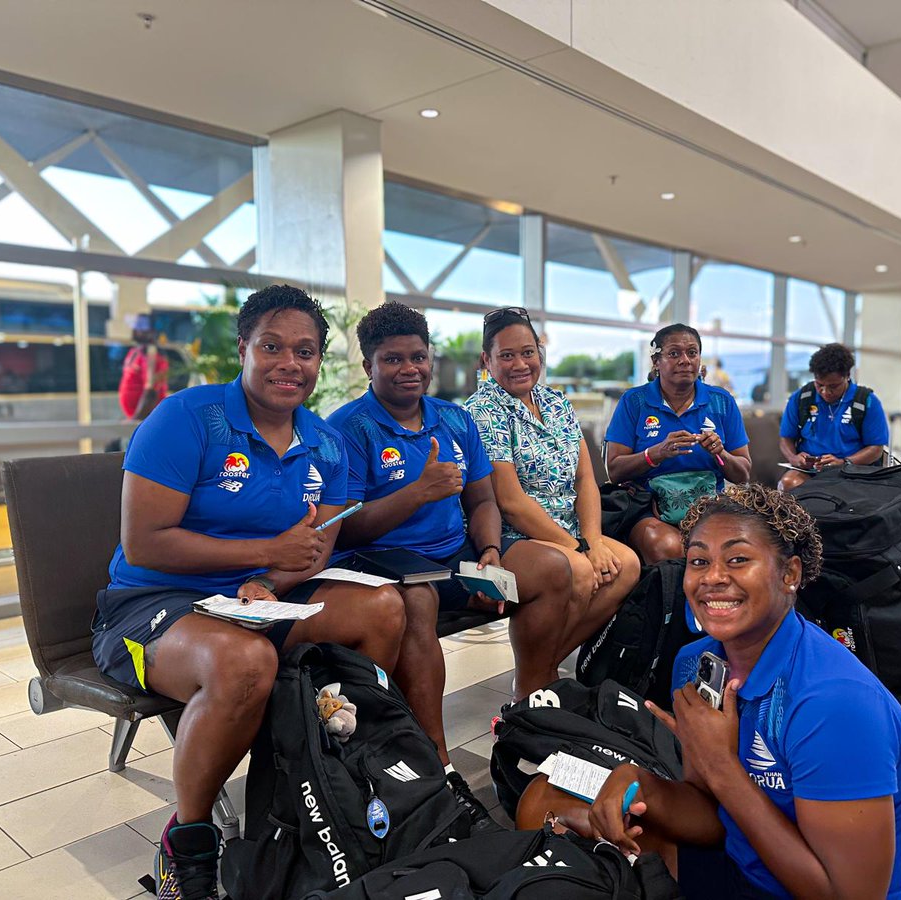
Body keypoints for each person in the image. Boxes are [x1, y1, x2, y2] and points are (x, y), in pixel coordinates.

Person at [93, 285, 407, 900]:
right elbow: (145, 543)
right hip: (148, 608)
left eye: (306, 351)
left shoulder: (326, 443)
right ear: (243, 349)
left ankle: (335, 773)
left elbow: (314, 547)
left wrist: (266, 581)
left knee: (383, 608)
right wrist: (264, 556)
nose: (290, 363)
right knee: (245, 660)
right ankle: (185, 845)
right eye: (272, 346)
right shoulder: (187, 418)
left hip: (253, 600)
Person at [587, 485, 901, 898]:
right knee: (556, 807)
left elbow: (850, 895)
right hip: (751, 867)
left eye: (738, 559)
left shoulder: (834, 703)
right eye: (698, 560)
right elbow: (714, 811)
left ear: (790, 574)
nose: (713, 578)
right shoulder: (696, 662)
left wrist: (721, 765)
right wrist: (639, 780)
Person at [328, 301, 585, 827]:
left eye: (417, 357)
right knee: (418, 597)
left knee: (550, 570)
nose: (409, 370)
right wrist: (418, 492)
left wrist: (490, 553)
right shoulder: (348, 429)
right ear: (368, 368)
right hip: (382, 564)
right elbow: (347, 529)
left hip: (458, 557)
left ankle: (528, 709)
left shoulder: (453, 418)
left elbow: (484, 502)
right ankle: (438, 765)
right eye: (392, 359)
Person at [464, 307, 639, 654]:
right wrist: (579, 550)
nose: (520, 364)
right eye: (507, 356)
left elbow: (586, 478)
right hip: (515, 537)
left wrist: (592, 541)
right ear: (487, 360)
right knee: (578, 569)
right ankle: (535, 672)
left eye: (528, 353)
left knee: (628, 565)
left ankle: (545, 661)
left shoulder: (556, 401)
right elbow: (511, 503)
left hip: (570, 531)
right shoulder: (482, 410)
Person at [604, 324, 751, 564]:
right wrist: (655, 453)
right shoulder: (635, 402)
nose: (685, 360)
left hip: (709, 509)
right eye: (674, 354)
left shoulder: (721, 401)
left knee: (742, 549)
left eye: (692, 353)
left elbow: (743, 474)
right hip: (649, 509)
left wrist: (719, 452)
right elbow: (615, 470)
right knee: (669, 547)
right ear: (656, 360)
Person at [777, 343, 888, 492]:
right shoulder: (802, 398)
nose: (825, 392)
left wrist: (844, 462)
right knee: (788, 483)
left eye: (833, 386)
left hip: (852, 471)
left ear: (847, 376)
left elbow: (876, 449)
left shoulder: (866, 401)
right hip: (811, 471)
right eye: (819, 385)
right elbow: (786, 439)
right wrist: (794, 458)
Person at [119, 315, 171, 420]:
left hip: (147, 420)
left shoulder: (153, 355)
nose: (136, 329)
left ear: (152, 331)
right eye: (136, 325)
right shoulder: (136, 351)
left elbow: (151, 394)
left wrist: (135, 422)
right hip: (136, 418)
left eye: (142, 326)